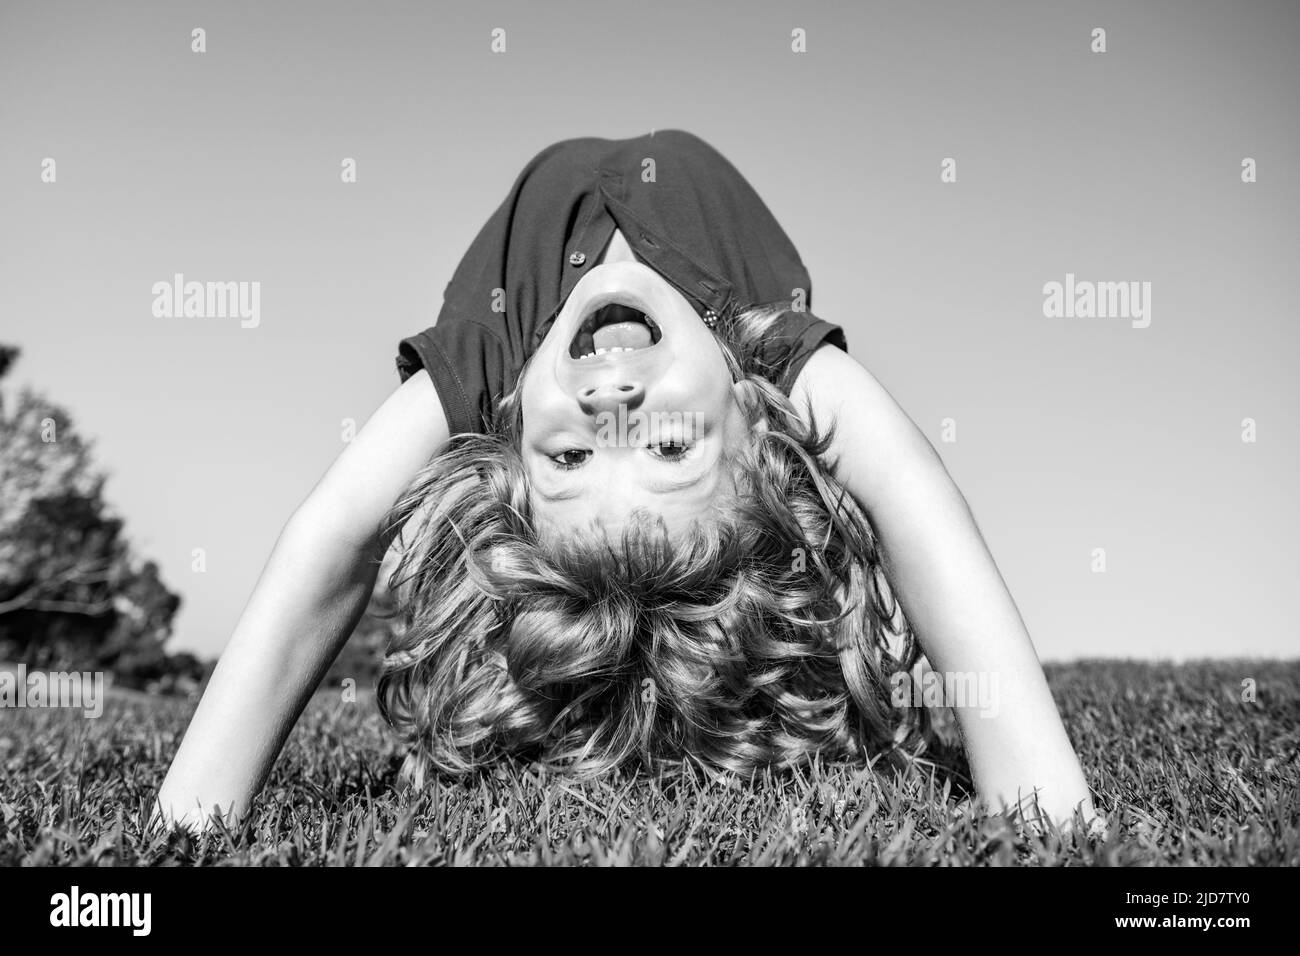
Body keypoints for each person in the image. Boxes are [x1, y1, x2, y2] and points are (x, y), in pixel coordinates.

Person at [157, 130, 1096, 831]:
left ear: (514, 448)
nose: (611, 400)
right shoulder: (762, 350)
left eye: (567, 460)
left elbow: (334, 537)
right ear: (752, 427)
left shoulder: (496, 360)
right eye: (672, 446)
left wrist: (189, 820)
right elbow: (911, 500)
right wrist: (1051, 806)